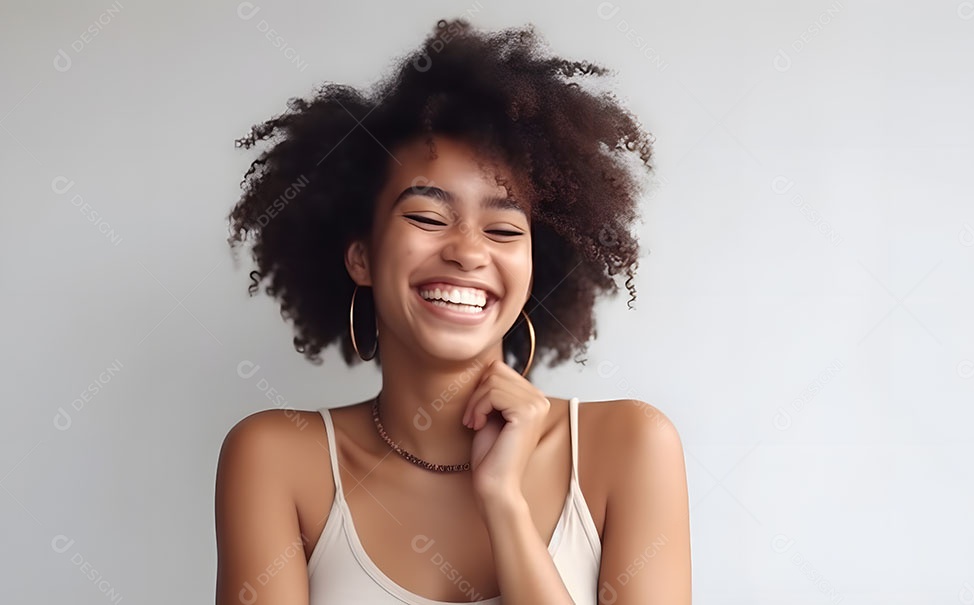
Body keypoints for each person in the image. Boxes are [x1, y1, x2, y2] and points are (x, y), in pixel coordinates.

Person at [215, 17, 691, 605]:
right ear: (361, 257)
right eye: (427, 217)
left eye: (503, 229)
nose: (468, 252)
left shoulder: (630, 446)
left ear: (534, 269)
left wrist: (505, 505)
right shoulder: (275, 457)